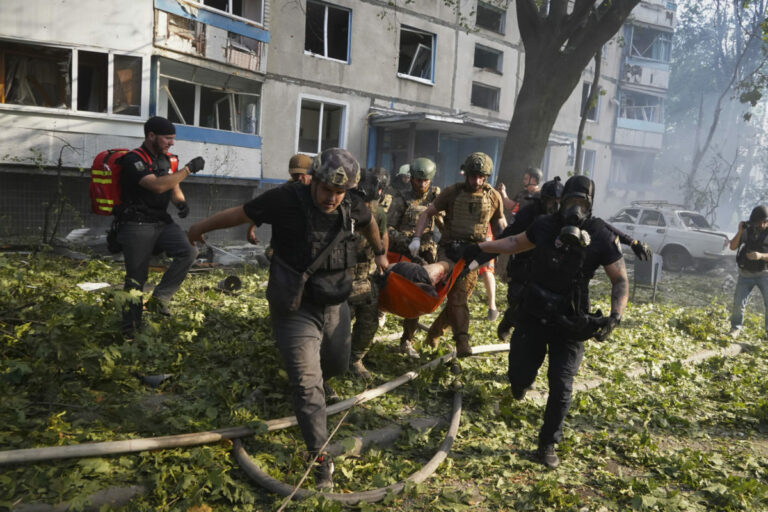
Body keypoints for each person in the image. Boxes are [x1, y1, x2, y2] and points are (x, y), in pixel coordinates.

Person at [187, 148, 387, 490]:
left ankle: (315, 390)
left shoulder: (352, 203)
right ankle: (319, 458)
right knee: (307, 383)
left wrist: (381, 253)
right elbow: (241, 213)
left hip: (335, 303)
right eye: (327, 190)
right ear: (315, 179)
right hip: (295, 306)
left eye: (340, 193)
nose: (332, 198)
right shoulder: (286, 199)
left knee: (336, 367)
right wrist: (199, 227)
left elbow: (369, 223)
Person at [472, 175, 629, 468]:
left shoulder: (600, 234)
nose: (575, 209)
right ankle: (520, 385)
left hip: (571, 321)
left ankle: (547, 443)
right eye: (570, 201)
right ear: (560, 201)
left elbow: (619, 279)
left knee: (561, 384)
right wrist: (480, 248)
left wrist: (615, 316)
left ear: (590, 205)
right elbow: (514, 243)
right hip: (533, 313)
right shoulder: (544, 225)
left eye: (581, 203)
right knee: (518, 376)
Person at [495, 177, 650, 340]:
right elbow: (510, 239)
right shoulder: (531, 213)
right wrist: (485, 249)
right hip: (528, 257)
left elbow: (604, 228)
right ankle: (510, 318)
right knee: (524, 295)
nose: (554, 207)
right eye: (551, 202)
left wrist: (632, 242)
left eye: (557, 201)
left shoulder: (582, 222)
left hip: (560, 263)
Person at [411, 152, 506, 357]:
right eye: (473, 176)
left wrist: (506, 242)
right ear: (466, 174)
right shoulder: (451, 192)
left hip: (474, 254)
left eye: (482, 177)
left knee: (457, 298)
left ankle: (443, 336)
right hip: (449, 250)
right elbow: (428, 213)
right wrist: (416, 238)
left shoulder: (492, 196)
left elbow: (500, 223)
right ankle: (455, 338)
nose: (477, 181)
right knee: (449, 295)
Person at [115, 116, 203, 335]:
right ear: (151, 136)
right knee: (136, 278)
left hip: (161, 221)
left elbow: (173, 185)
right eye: (167, 138)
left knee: (189, 251)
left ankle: (160, 298)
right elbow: (155, 185)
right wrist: (189, 169)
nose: (171, 143)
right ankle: (131, 329)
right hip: (136, 223)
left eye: (173, 138)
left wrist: (180, 202)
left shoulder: (167, 159)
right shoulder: (133, 160)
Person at [387, 157, 442, 358]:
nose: (421, 185)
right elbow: (389, 228)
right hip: (405, 254)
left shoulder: (437, 198)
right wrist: (406, 242)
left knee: (418, 298)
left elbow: (444, 222)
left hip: (427, 255)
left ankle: (407, 340)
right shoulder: (401, 199)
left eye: (425, 181)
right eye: (418, 180)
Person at [348, 168, 390, 379]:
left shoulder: (378, 212)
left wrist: (383, 260)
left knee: (368, 322)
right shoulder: (342, 207)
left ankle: (355, 359)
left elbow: (383, 235)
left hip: (366, 277)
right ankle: (330, 361)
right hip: (340, 277)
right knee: (336, 325)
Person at [246, 153, 312, 244]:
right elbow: (261, 210)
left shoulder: (317, 191)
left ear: (310, 173)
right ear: (290, 173)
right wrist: (250, 231)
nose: (299, 178)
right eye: (295, 175)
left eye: (302, 174)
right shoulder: (283, 192)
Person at [728, 205, 768, 338]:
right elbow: (733, 246)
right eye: (758, 222)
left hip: (765, 273)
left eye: (764, 222)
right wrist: (740, 231)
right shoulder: (747, 229)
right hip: (745, 274)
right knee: (738, 302)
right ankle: (735, 328)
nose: (761, 225)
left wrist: (761, 256)